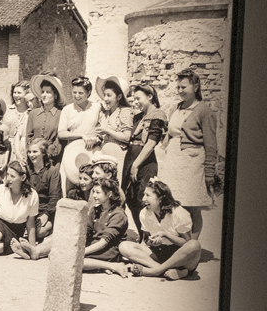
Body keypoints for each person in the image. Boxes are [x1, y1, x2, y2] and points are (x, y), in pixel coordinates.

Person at [11, 178, 131, 277]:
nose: (94, 195)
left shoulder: (118, 214)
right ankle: (35, 252)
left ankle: (112, 266)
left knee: (74, 261)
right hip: (92, 244)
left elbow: (104, 243)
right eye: (93, 191)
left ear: (109, 194)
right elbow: (85, 229)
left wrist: (81, 252)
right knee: (62, 248)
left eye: (98, 192)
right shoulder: (96, 210)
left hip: (108, 250)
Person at [158, 69, 216, 239]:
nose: (180, 90)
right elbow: (170, 133)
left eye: (184, 87)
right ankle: (178, 243)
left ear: (196, 86)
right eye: (178, 87)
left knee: (192, 206)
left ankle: (192, 246)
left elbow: (211, 145)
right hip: (173, 161)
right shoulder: (175, 107)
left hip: (192, 164)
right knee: (172, 204)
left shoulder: (204, 111)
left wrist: (210, 172)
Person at [120, 179, 203, 280]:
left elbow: (186, 242)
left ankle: (155, 271)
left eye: (148, 195)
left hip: (180, 255)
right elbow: (145, 240)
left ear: (160, 199)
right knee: (124, 246)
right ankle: (169, 271)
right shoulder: (144, 213)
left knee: (194, 244)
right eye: (143, 195)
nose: (143, 199)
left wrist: (165, 234)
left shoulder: (179, 213)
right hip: (158, 253)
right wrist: (151, 242)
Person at [123, 84, 167, 231]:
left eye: (138, 98)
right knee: (130, 198)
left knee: (144, 198)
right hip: (131, 158)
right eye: (134, 99)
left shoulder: (158, 115)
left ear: (150, 97)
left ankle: (150, 234)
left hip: (145, 162)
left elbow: (151, 143)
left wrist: (136, 165)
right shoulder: (138, 116)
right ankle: (142, 233)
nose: (135, 102)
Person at [0, 161, 37, 256]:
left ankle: (21, 249)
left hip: (16, 229)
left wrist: (33, 248)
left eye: (12, 176)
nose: (8, 179)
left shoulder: (32, 195)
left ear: (23, 178)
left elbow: (30, 223)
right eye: (7, 174)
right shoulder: (2, 189)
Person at [57, 76, 101, 197]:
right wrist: (82, 135)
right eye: (74, 92)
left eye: (81, 93)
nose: (77, 95)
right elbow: (61, 133)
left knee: (92, 189)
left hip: (92, 153)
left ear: (88, 93)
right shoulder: (67, 110)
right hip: (72, 153)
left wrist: (96, 138)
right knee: (69, 188)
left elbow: (102, 128)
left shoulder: (97, 107)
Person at [89, 77, 133, 174]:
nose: (105, 98)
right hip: (103, 157)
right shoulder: (104, 114)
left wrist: (107, 131)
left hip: (118, 157)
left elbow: (126, 137)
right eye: (104, 95)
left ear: (119, 97)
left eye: (109, 95)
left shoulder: (124, 112)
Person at [26, 74, 64, 183]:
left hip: (52, 161)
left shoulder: (61, 114)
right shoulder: (33, 113)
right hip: (33, 160)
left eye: (48, 92)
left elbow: (60, 139)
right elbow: (28, 136)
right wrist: (32, 154)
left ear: (55, 95)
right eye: (42, 92)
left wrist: (47, 153)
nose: (44, 95)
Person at [3, 81, 33, 164]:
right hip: (7, 149)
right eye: (14, 92)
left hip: (24, 148)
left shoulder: (31, 112)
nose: (16, 95)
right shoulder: (7, 110)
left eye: (19, 93)